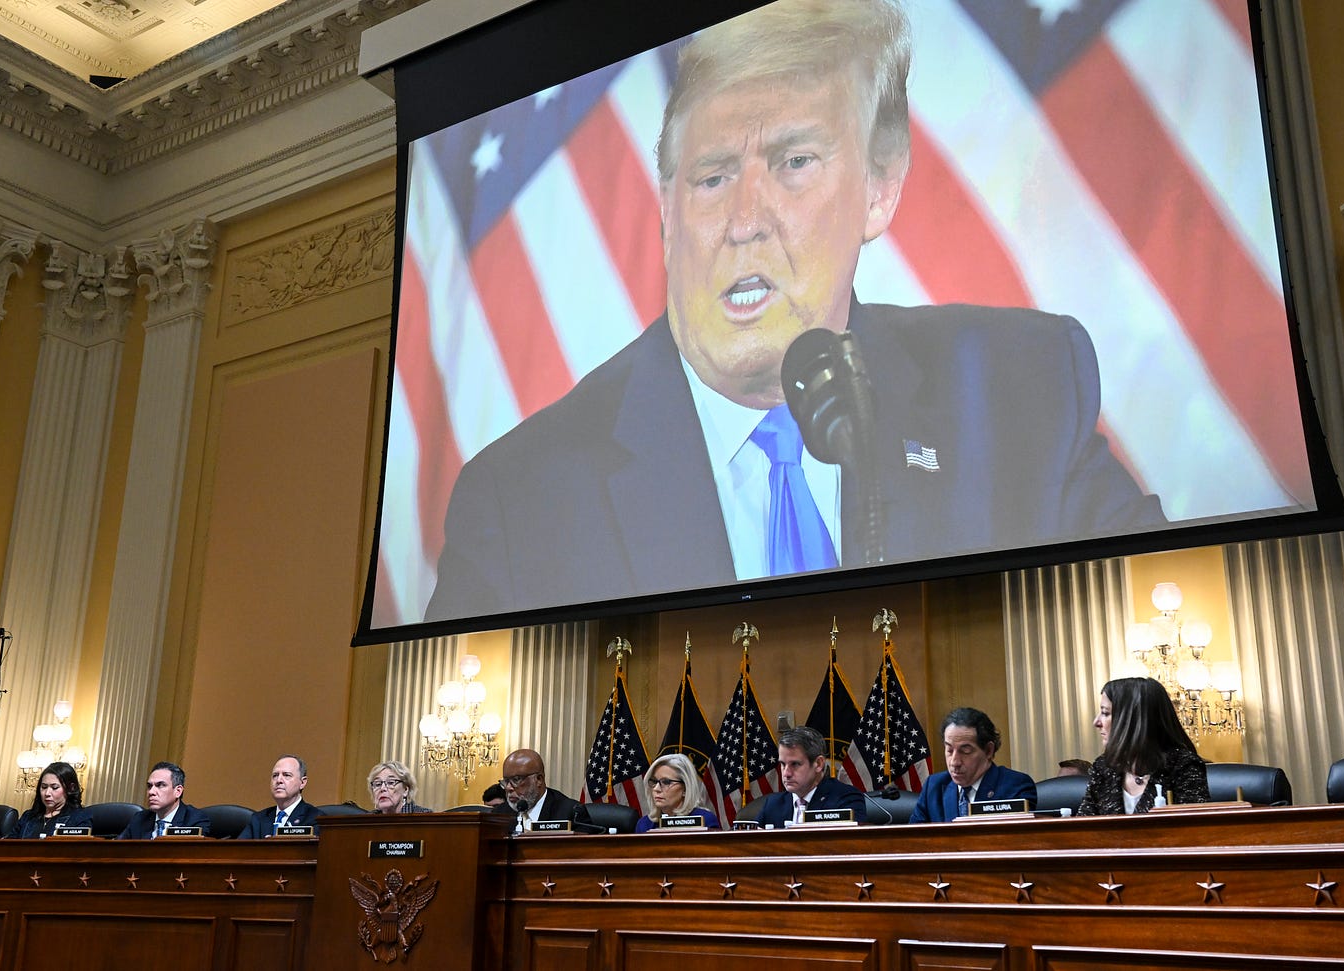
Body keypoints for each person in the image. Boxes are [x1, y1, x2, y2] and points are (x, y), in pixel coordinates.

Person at [424, 0, 1163, 621]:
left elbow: (1143, 606)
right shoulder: (519, 501)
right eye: (712, 177)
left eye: (794, 163)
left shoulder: (1020, 391)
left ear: (880, 190)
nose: (745, 220)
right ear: (666, 211)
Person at [1077, 677, 1210, 815]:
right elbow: (1082, 828)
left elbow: (1195, 830)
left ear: (1131, 719)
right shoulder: (1103, 767)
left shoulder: (1184, 766)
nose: (1096, 722)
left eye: (1105, 713)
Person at [909, 708, 1038, 823]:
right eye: (949, 750)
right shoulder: (933, 787)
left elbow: (1016, 842)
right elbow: (913, 841)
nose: (954, 762)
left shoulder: (1015, 787)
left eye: (965, 751)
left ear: (988, 750)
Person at [755, 726, 866, 827]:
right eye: (783, 764)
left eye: (795, 764)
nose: (786, 774)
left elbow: (850, 845)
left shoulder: (846, 799)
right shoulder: (773, 804)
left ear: (818, 764)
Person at [490, 748, 592, 833]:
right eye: (506, 781)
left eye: (516, 780)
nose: (508, 788)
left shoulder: (571, 813)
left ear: (539, 779)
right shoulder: (498, 815)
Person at [116, 761, 211, 839]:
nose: (151, 792)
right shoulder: (140, 819)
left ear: (178, 791)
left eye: (160, 785)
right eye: (149, 786)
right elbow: (116, 849)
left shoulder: (195, 820)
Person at [236, 755, 321, 838]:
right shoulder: (258, 819)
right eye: (275, 775)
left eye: (287, 775)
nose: (279, 780)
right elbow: (238, 850)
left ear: (302, 783)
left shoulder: (316, 819)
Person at [635, 753, 720, 832]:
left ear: (685, 789)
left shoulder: (705, 820)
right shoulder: (644, 824)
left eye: (666, 782)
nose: (656, 789)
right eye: (654, 781)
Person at [6, 761, 91, 838]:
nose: (47, 793)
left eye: (54, 788)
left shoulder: (80, 818)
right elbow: (8, 846)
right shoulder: (28, 816)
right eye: (44, 787)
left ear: (70, 788)